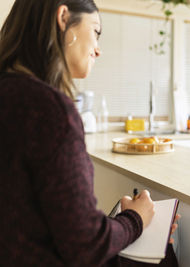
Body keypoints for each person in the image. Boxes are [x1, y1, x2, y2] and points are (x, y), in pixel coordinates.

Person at [0, 1, 178, 266]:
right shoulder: (48, 109)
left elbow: (31, 213)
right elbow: (86, 246)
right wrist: (136, 219)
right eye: (95, 31)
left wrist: (114, 222)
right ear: (63, 18)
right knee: (163, 254)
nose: (98, 49)